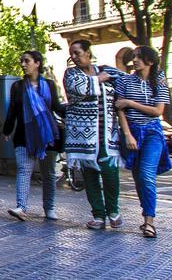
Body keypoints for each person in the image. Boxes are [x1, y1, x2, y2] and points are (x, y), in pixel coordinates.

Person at [64, 39, 123, 230]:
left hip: (107, 134)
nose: (73, 57)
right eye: (71, 54)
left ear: (88, 53)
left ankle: (113, 211)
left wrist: (158, 78)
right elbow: (78, 88)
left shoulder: (107, 71)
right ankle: (98, 215)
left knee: (110, 173)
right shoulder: (71, 74)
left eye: (77, 53)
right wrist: (99, 79)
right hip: (83, 136)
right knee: (90, 175)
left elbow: (127, 82)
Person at [115, 45, 172, 239]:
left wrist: (130, 103)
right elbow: (119, 109)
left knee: (147, 175)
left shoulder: (159, 81)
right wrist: (128, 134)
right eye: (134, 57)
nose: (134, 60)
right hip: (132, 131)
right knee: (139, 177)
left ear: (150, 61)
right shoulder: (126, 81)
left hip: (152, 133)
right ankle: (145, 212)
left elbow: (158, 111)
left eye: (139, 57)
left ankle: (149, 222)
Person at [2, 50, 63, 221]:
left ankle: (49, 208)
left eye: (26, 61)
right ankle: (21, 207)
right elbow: (13, 110)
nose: (23, 64)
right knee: (24, 170)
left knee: (49, 173)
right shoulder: (18, 86)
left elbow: (56, 107)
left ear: (37, 63)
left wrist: (73, 113)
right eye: (22, 61)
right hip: (23, 135)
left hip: (47, 135)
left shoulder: (49, 85)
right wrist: (6, 130)